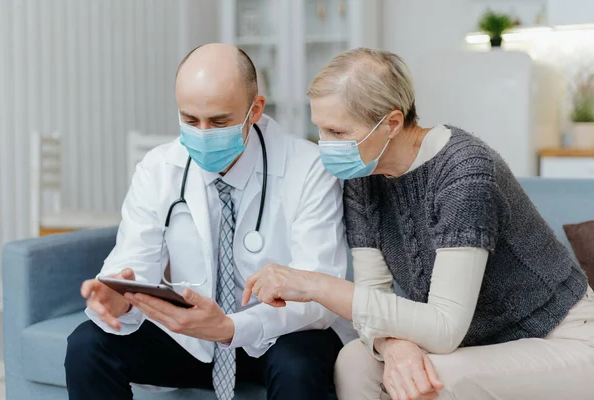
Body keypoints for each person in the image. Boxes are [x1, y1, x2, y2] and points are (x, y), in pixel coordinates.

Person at [243, 48, 594, 400]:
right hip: (473, 343)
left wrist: (314, 285)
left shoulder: (464, 174)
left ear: (392, 123)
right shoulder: (363, 177)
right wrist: (395, 346)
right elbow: (373, 296)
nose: (324, 146)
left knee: (429, 381)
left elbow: (444, 327)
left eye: (336, 131)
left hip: (561, 336)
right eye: (320, 130)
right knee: (354, 362)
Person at [64, 43, 353, 400]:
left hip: (273, 337)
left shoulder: (308, 168)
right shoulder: (158, 169)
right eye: (189, 120)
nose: (202, 133)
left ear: (255, 110)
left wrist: (232, 326)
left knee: (300, 364)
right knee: (87, 345)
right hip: (191, 338)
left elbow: (318, 292)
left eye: (218, 122)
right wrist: (118, 297)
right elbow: (134, 260)